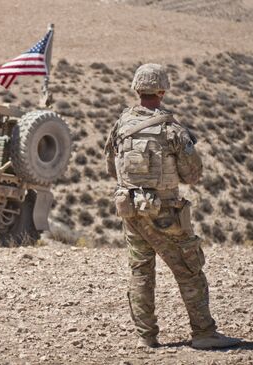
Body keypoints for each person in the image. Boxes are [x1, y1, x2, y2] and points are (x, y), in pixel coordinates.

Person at [103, 63, 241, 350]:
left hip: (129, 210)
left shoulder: (121, 125)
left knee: (141, 272)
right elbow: (192, 175)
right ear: (162, 91)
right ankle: (204, 333)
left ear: (136, 89)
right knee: (189, 269)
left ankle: (146, 337)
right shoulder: (172, 129)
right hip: (166, 213)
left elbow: (110, 169)